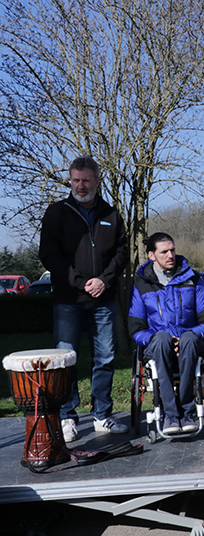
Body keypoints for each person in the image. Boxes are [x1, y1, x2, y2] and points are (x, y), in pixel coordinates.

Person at [38, 156, 129, 442]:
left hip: (104, 299)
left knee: (105, 358)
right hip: (68, 301)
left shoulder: (111, 213)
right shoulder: (56, 213)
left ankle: (103, 415)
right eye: (75, 180)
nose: (80, 186)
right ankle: (67, 417)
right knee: (66, 360)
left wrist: (104, 280)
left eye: (86, 180)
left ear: (97, 181)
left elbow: (122, 253)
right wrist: (79, 282)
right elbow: (49, 255)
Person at [128, 233, 204, 434]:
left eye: (173, 250)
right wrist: (160, 339)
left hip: (190, 343)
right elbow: (136, 329)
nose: (170, 255)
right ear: (152, 255)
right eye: (164, 251)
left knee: (189, 340)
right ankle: (170, 414)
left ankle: (187, 411)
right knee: (160, 338)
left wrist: (187, 335)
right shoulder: (141, 283)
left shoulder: (194, 278)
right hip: (158, 345)